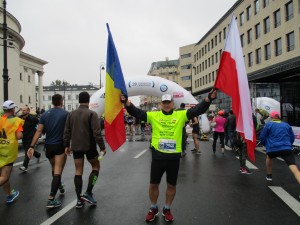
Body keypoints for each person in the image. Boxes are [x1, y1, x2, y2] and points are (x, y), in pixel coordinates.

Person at [120, 89, 217, 222]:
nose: (166, 105)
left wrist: (208, 100)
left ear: (173, 103)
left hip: (173, 158)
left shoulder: (180, 115)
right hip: (158, 157)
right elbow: (138, 113)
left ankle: (167, 208)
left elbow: (197, 110)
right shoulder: (154, 116)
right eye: (164, 102)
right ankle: (153, 207)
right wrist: (126, 103)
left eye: (168, 102)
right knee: (153, 184)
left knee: (171, 185)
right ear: (161, 104)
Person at [64, 91, 107, 208]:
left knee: (78, 171)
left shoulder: (71, 114)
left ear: (79, 100)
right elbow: (97, 133)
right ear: (88, 101)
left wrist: (67, 145)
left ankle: (79, 199)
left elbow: (67, 131)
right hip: (90, 146)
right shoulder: (92, 114)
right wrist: (102, 148)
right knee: (96, 167)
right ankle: (88, 192)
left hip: (76, 146)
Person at [28, 94, 68, 208]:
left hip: (48, 146)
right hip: (59, 145)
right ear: (61, 101)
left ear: (52, 102)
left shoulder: (45, 114)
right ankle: (51, 199)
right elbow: (69, 130)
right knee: (58, 171)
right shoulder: (65, 114)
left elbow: (39, 131)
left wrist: (31, 146)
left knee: (54, 169)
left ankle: (59, 185)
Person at [259, 111, 300, 183]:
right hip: (286, 148)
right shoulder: (286, 125)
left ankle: (269, 175)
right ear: (279, 117)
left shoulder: (268, 125)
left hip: (272, 148)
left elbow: (262, 137)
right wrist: (288, 145)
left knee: (269, 156)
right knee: (293, 166)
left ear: (271, 118)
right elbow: (292, 137)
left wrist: (266, 145)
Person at [0, 100, 24, 203]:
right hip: (8, 151)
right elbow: (19, 136)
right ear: (12, 109)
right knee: (4, 176)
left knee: (4, 176)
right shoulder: (16, 121)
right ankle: (9, 195)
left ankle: (9, 195)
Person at [19, 106, 41, 172]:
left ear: (28, 111)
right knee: (28, 149)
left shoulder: (33, 118)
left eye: (24, 110)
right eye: (22, 110)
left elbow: (39, 124)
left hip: (31, 137)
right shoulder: (20, 118)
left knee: (27, 151)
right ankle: (38, 155)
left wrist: (39, 132)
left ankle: (25, 166)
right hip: (24, 137)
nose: (23, 111)